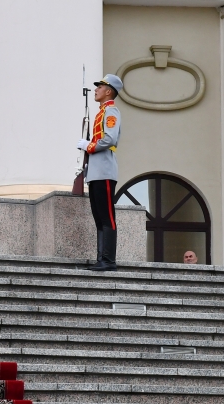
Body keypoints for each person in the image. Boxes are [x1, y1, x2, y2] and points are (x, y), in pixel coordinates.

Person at [78, 74, 123, 272]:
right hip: (95, 172)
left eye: (100, 87)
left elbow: (110, 139)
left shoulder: (111, 112)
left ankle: (108, 260)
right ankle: (101, 258)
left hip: (104, 170)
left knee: (107, 217)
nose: (96, 90)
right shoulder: (100, 113)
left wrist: (90, 146)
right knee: (99, 217)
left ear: (109, 91)